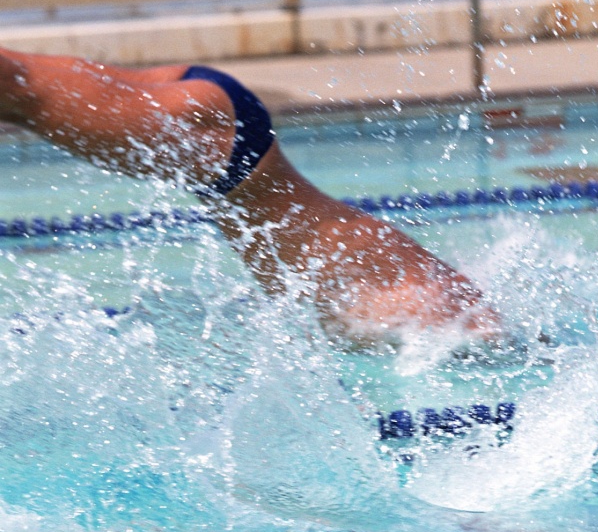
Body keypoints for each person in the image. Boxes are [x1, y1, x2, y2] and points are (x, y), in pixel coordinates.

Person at [0, 49, 502, 350]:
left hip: (209, 127)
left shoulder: (382, 300)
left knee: (18, 88)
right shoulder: (360, 290)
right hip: (197, 112)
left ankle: (463, 323)